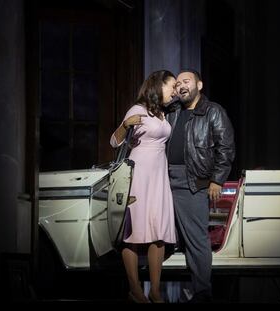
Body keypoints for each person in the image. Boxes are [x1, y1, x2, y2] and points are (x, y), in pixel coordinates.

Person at [166, 69, 235, 302]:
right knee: (163, 235)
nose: (181, 86)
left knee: (196, 238)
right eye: (178, 83)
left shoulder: (213, 111)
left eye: (186, 81)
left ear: (199, 84)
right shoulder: (172, 111)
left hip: (193, 180)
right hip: (164, 180)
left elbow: (226, 148)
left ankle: (203, 292)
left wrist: (217, 179)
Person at [110, 70, 177, 303]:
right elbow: (114, 141)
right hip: (139, 173)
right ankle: (135, 289)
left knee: (158, 232)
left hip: (158, 174)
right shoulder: (137, 109)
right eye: (172, 86)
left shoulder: (162, 113)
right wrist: (126, 125)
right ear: (159, 86)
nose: (175, 90)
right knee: (135, 232)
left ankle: (156, 291)